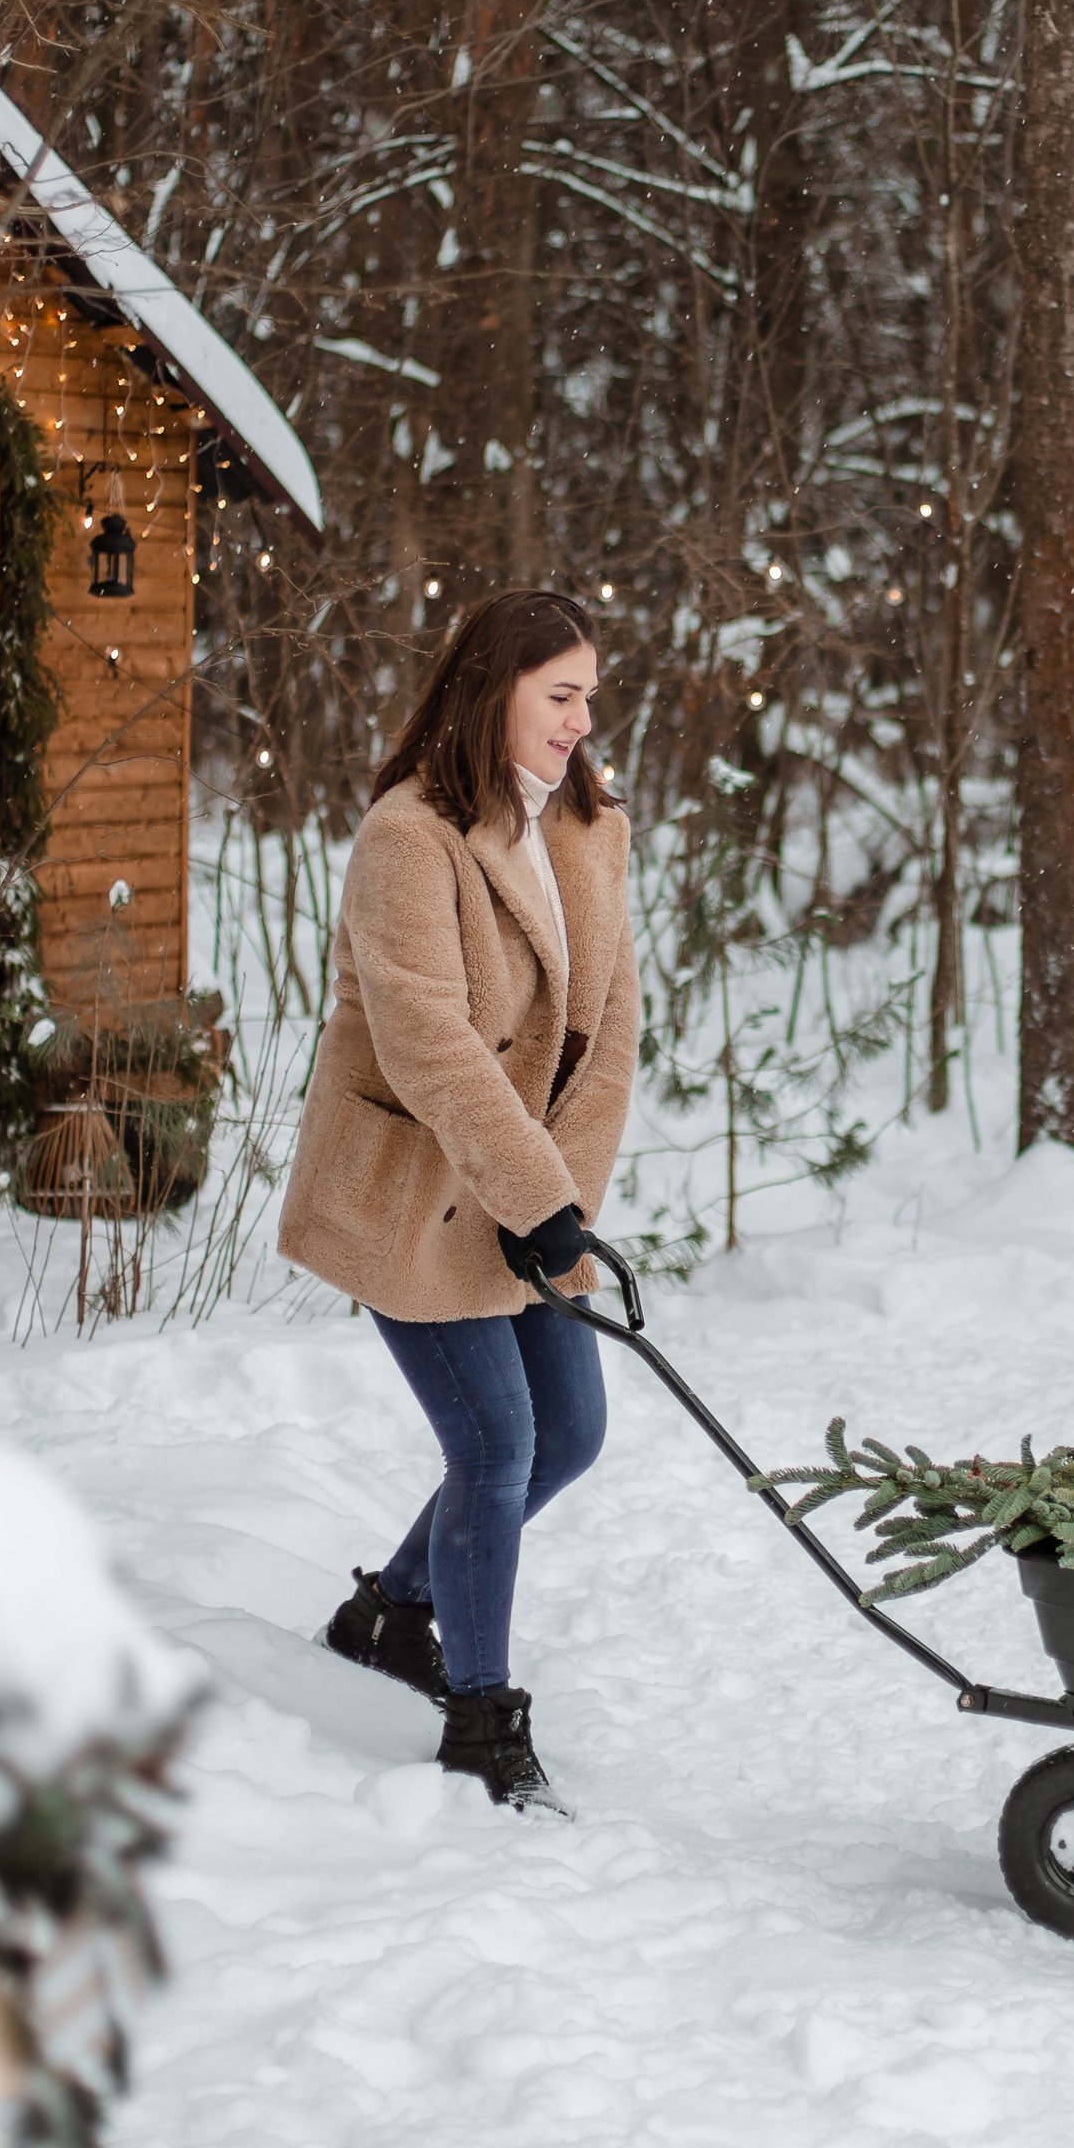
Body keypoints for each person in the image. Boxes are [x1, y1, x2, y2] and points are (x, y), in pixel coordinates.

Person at [277, 588, 641, 1815]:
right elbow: (427, 1040)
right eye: (561, 696)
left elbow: (610, 1037)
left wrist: (557, 1202)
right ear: (492, 692)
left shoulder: (589, 827)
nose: (583, 721)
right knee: (493, 1445)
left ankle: (390, 1610)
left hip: (518, 1189)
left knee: (570, 1433)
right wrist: (526, 1191)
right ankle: (481, 1723)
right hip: (412, 1189)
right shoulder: (409, 837)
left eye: (588, 695)